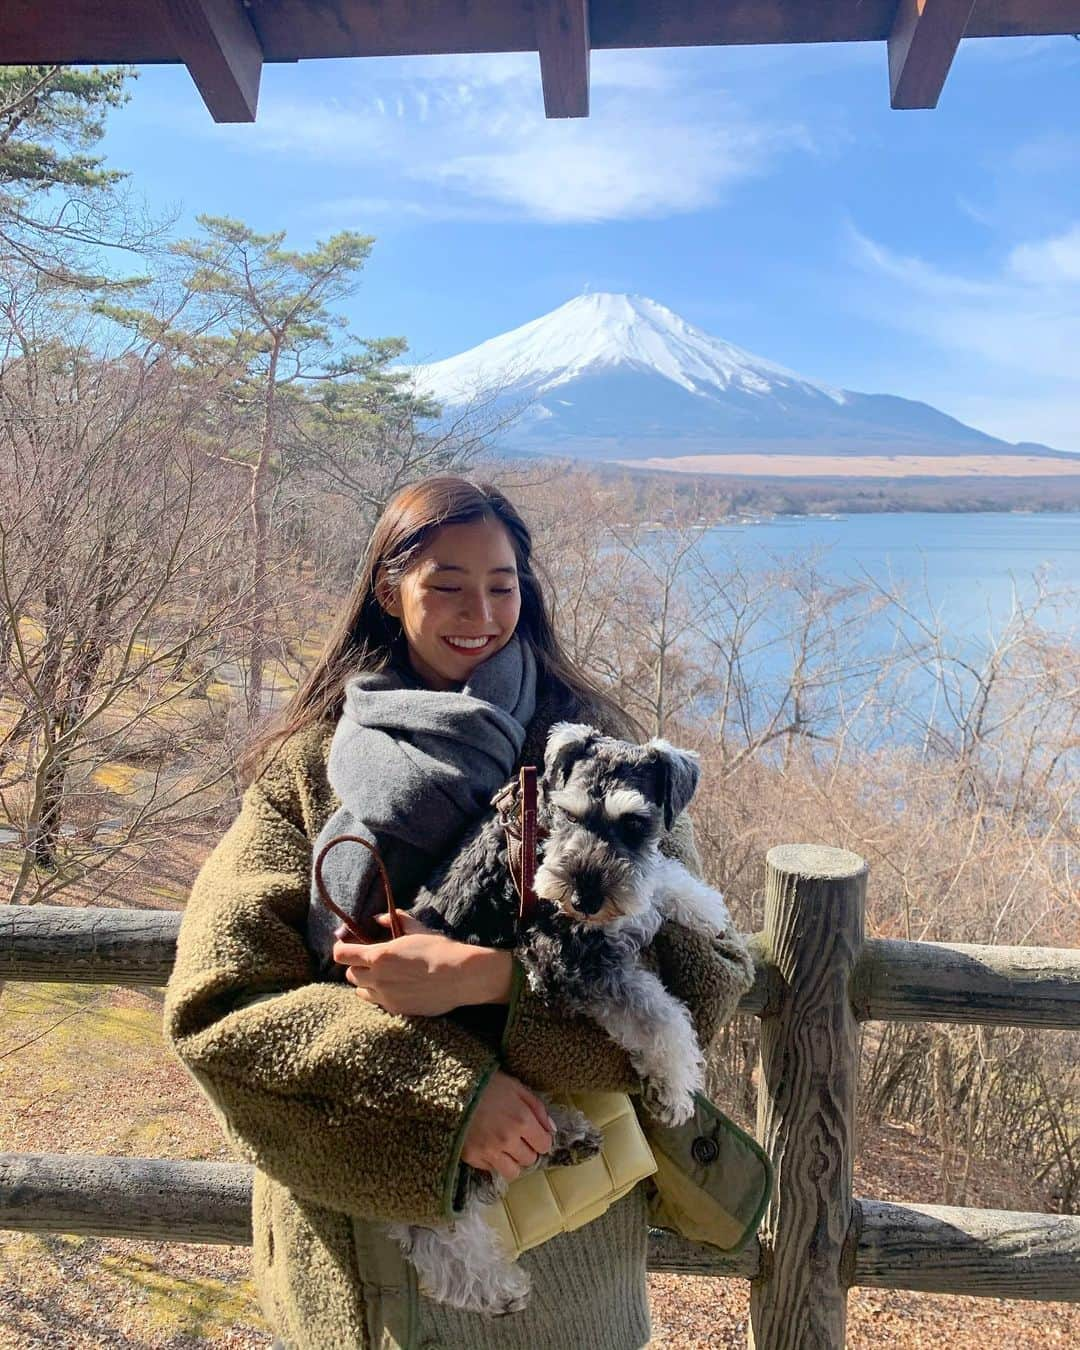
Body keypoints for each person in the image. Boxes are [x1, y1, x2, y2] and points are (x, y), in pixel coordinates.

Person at [163, 476, 754, 1350]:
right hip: (364, 1283)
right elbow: (220, 1004)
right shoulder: (308, 763)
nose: (478, 610)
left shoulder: (599, 747)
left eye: (502, 584)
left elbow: (706, 981)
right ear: (387, 590)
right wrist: (451, 1096)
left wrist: (493, 980)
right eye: (445, 585)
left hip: (569, 1283)